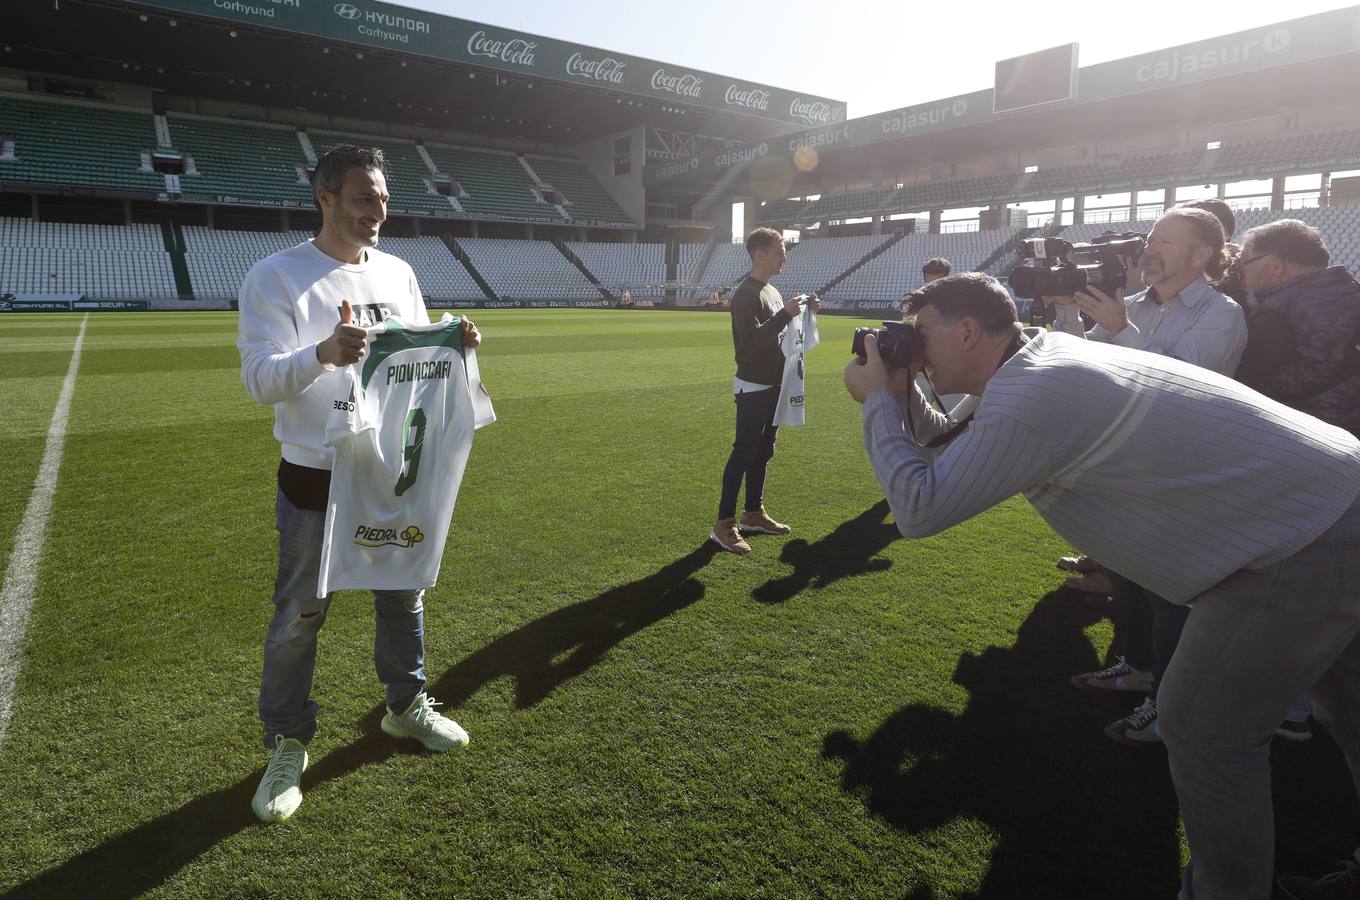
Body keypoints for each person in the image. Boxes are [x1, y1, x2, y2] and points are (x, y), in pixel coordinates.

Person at [843, 272, 1360, 900]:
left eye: (921, 333)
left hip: (1303, 539)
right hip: (1328, 503)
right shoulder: (1039, 358)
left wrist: (877, 401)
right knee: (1347, 706)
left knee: (1200, 726)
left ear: (969, 331)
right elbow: (945, 438)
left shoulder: (1031, 396)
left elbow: (920, 508)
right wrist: (897, 388)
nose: (913, 347)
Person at [237, 145, 481, 823]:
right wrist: (321, 354)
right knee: (299, 619)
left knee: (404, 598)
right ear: (324, 197)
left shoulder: (399, 273)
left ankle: (405, 706)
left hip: (391, 470)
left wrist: (454, 342)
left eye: (382, 198)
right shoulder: (277, 276)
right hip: (315, 477)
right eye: (363, 198)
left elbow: (414, 356)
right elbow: (258, 380)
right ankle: (288, 741)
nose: (378, 211)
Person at [1056, 207, 1248, 745]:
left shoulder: (1221, 313)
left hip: (1180, 468)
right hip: (1124, 460)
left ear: (1201, 254)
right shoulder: (1133, 305)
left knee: (1168, 592)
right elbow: (1076, 361)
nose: (1150, 249)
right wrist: (1071, 314)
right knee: (1124, 571)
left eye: (1166, 240)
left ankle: (1168, 705)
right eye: (1152, 239)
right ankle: (1136, 665)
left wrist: (1120, 331)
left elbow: (1183, 385)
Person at [710, 227, 819, 555]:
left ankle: (753, 513)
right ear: (759, 254)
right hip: (753, 386)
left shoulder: (770, 291)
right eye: (779, 251)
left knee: (763, 450)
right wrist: (785, 314)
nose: (784, 257)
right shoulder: (746, 294)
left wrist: (804, 311)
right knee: (744, 451)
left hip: (773, 384)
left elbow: (780, 335)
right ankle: (724, 523)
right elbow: (751, 343)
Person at [1236, 218, 1360, 437]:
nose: (1241, 274)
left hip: (1308, 443)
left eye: (1243, 264)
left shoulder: (1275, 315)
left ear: (1275, 266)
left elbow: (1245, 389)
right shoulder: (1352, 293)